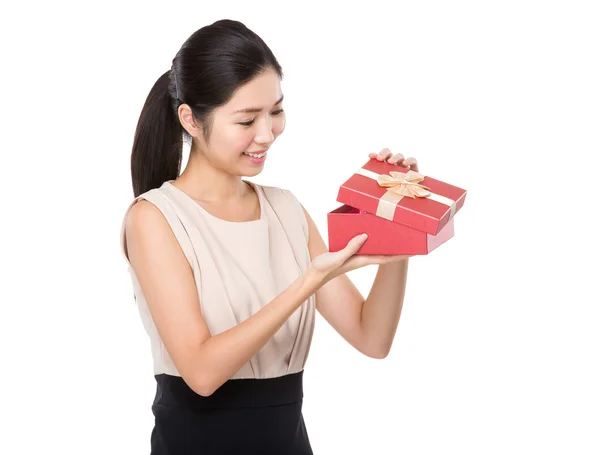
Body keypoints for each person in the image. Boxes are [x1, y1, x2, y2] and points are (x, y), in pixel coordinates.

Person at [119, 19, 419, 455]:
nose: (267, 134)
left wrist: (398, 223)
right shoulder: (154, 218)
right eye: (246, 120)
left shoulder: (286, 210)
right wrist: (307, 284)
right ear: (191, 120)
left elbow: (372, 339)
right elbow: (201, 373)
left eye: (275, 111)